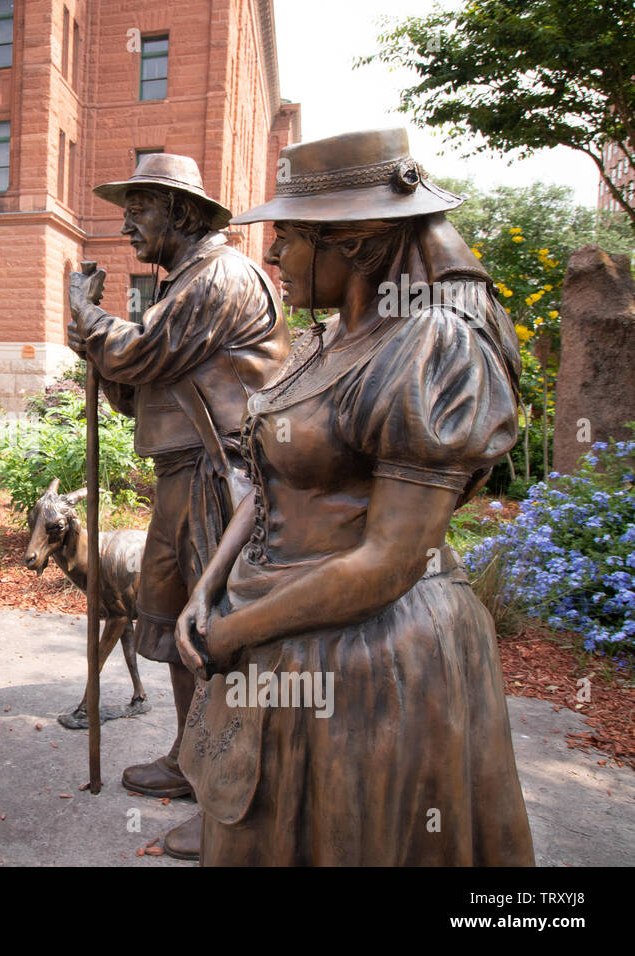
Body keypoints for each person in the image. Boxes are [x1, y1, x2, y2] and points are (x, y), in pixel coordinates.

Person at [174, 128, 535, 865]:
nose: (270, 256)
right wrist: (208, 590)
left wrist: (237, 633)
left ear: (356, 246)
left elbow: (390, 560)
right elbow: (269, 484)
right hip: (279, 623)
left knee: (347, 838)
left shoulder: (430, 349)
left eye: (289, 238)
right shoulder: (317, 345)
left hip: (375, 651)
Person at [67, 154, 289, 859]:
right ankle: (193, 759)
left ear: (182, 214)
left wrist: (86, 320)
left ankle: (228, 793)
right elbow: (140, 381)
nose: (127, 224)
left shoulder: (219, 275)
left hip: (219, 476)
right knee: (168, 620)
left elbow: (143, 352)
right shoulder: (183, 282)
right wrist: (106, 353)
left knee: (213, 630)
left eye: (142, 210)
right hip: (183, 473)